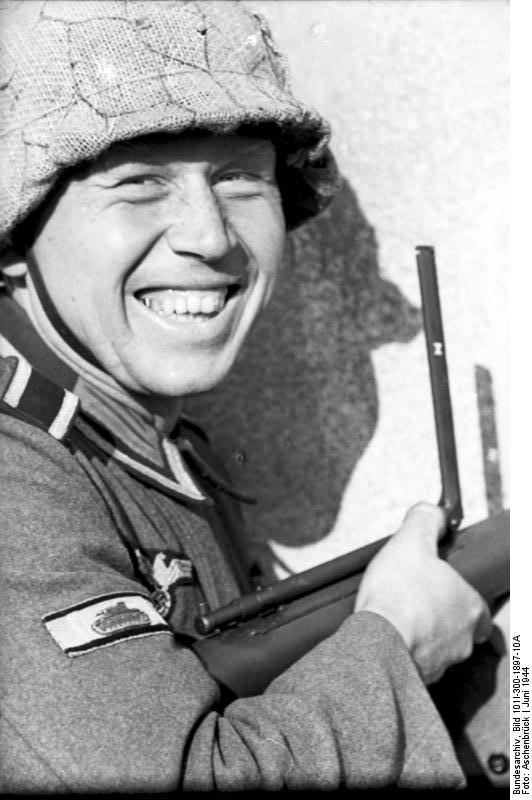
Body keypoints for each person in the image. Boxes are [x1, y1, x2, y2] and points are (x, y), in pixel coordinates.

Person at [0, 0, 491, 792]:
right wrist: (395, 642)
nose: (211, 235)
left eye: (239, 177)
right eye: (138, 184)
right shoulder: (17, 475)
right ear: (14, 237)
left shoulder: (152, 447)